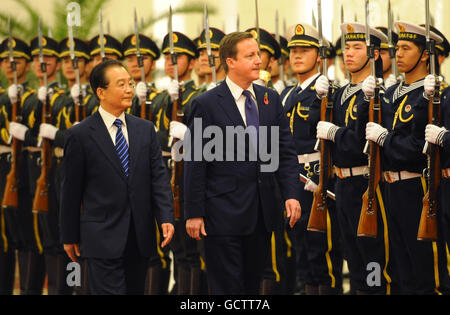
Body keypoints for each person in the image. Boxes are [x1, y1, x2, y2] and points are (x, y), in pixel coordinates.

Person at [183, 31, 301, 295]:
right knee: (227, 288)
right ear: (230, 61)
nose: (259, 60)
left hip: (261, 212)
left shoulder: (269, 99)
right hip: (221, 213)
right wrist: (194, 212)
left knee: (252, 286)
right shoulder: (206, 104)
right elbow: (195, 162)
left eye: (258, 54)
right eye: (250, 56)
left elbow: (284, 152)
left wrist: (291, 195)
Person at [59, 59, 175, 295]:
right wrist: (69, 235)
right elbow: (71, 191)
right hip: (101, 237)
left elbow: (158, 178)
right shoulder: (80, 135)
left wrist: (165, 217)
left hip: (139, 236)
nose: (129, 89)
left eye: (130, 83)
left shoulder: (145, 129)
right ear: (101, 92)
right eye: (121, 84)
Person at [364, 21, 450, 294]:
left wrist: (386, 139)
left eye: (405, 48)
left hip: (419, 187)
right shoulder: (391, 93)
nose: (398, 54)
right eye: (397, 48)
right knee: (399, 269)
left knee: (427, 269)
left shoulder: (439, 95)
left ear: (425, 54)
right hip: (390, 188)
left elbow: (416, 149)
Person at [315, 23, 394, 294]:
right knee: (352, 257)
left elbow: (360, 142)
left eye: (357, 47)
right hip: (342, 185)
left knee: (372, 258)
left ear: (374, 54)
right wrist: (320, 100)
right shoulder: (341, 92)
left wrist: (335, 133)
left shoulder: (374, 93)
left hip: (366, 182)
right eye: (346, 47)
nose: (348, 53)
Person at [281, 23, 343, 295]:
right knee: (303, 256)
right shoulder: (287, 95)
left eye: (304, 50)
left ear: (320, 56)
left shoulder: (329, 91)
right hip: (293, 182)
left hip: (318, 182)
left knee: (324, 256)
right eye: (293, 50)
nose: (296, 55)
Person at [0, 37, 46, 295]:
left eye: (17, 60)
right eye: (5, 61)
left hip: (24, 170)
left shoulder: (33, 97)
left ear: (27, 65)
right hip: (4, 170)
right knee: (5, 239)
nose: (11, 65)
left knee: (28, 237)